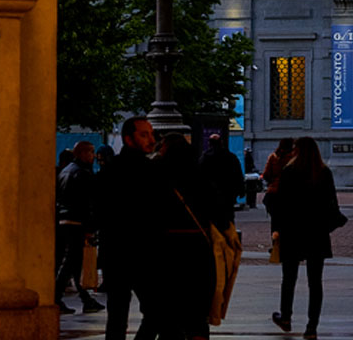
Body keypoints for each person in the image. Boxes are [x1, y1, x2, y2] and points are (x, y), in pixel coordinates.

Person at [149, 133, 226, 340]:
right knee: (197, 311)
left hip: (166, 249)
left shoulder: (157, 175)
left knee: (169, 311)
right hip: (198, 247)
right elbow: (217, 209)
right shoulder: (198, 174)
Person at [271, 137, 341, 340]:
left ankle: (285, 317)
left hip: (292, 232)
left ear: (298, 151)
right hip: (316, 233)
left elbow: (280, 205)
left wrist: (276, 230)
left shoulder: (289, 172)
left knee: (289, 278)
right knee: (315, 282)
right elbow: (332, 206)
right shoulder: (323, 172)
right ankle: (312, 327)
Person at [96, 116, 157, 340]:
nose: (151, 139)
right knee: (155, 311)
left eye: (151, 134)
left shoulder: (109, 171)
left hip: (116, 253)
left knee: (117, 315)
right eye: (144, 135)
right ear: (129, 139)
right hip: (142, 253)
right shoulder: (150, 171)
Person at [55, 140, 105, 314]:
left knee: (73, 262)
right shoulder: (82, 173)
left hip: (64, 220)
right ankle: (56, 295)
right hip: (76, 221)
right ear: (82, 153)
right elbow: (89, 202)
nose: (93, 156)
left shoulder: (66, 171)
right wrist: (92, 226)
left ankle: (85, 297)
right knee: (71, 262)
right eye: (91, 152)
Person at [200, 133, 244, 224]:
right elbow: (238, 174)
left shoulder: (205, 157)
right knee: (228, 217)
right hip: (227, 193)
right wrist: (241, 190)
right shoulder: (230, 157)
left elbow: (199, 175)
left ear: (209, 144)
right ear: (221, 142)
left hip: (210, 193)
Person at [263, 137, 296, 243]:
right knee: (290, 221)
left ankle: (276, 245)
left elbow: (266, 174)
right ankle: (288, 244)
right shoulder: (294, 158)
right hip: (289, 194)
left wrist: (272, 182)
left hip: (273, 193)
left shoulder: (273, 157)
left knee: (275, 222)